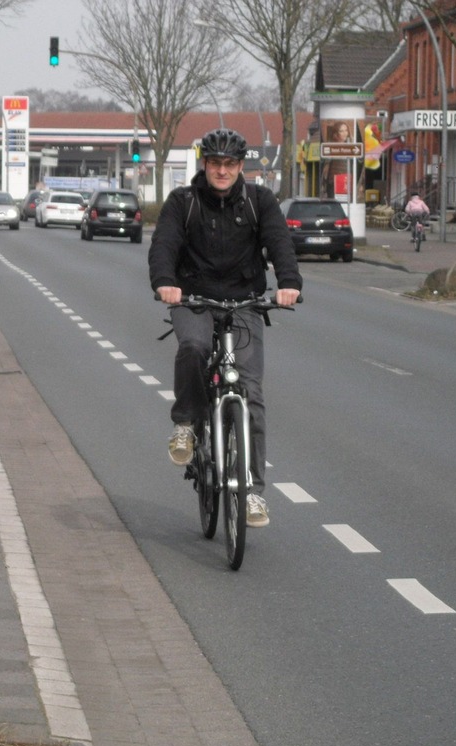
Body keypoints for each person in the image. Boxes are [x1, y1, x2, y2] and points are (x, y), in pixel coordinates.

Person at [148, 128, 302, 528]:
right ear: (205, 164)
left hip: (245, 300)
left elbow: (279, 242)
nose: (221, 170)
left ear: (240, 167)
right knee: (194, 348)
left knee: (250, 392)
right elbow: (164, 244)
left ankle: (252, 493)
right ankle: (186, 425)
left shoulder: (259, 202)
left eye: (229, 164)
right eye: (214, 163)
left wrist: (288, 284)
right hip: (193, 298)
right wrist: (165, 283)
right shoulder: (184, 202)